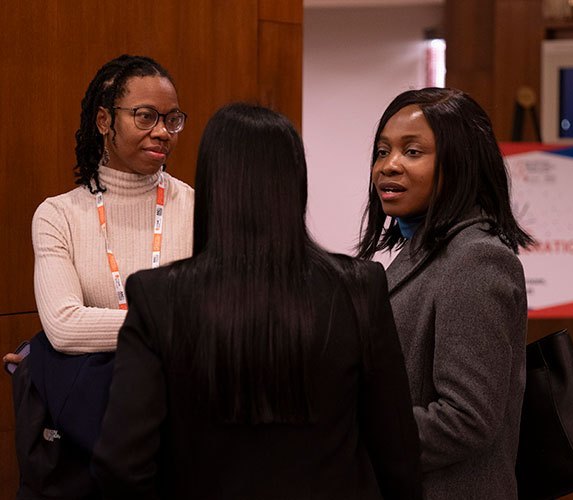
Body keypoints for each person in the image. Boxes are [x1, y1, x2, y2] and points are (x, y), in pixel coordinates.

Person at [92, 103, 423, 500]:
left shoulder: (157, 296)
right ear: (296, 184)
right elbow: (396, 451)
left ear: (212, 185)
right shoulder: (358, 287)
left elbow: (121, 464)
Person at [9, 54, 194, 499]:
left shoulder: (197, 207)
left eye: (172, 119)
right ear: (105, 120)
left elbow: (219, 317)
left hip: (182, 430)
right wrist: (173, 325)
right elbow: (65, 326)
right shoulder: (58, 215)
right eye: (146, 117)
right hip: (85, 435)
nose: (163, 132)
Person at [357, 87, 534, 499]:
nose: (389, 166)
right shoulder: (426, 250)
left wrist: (353, 434)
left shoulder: (475, 259)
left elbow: (466, 418)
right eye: (382, 152)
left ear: (459, 164)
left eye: (412, 152)